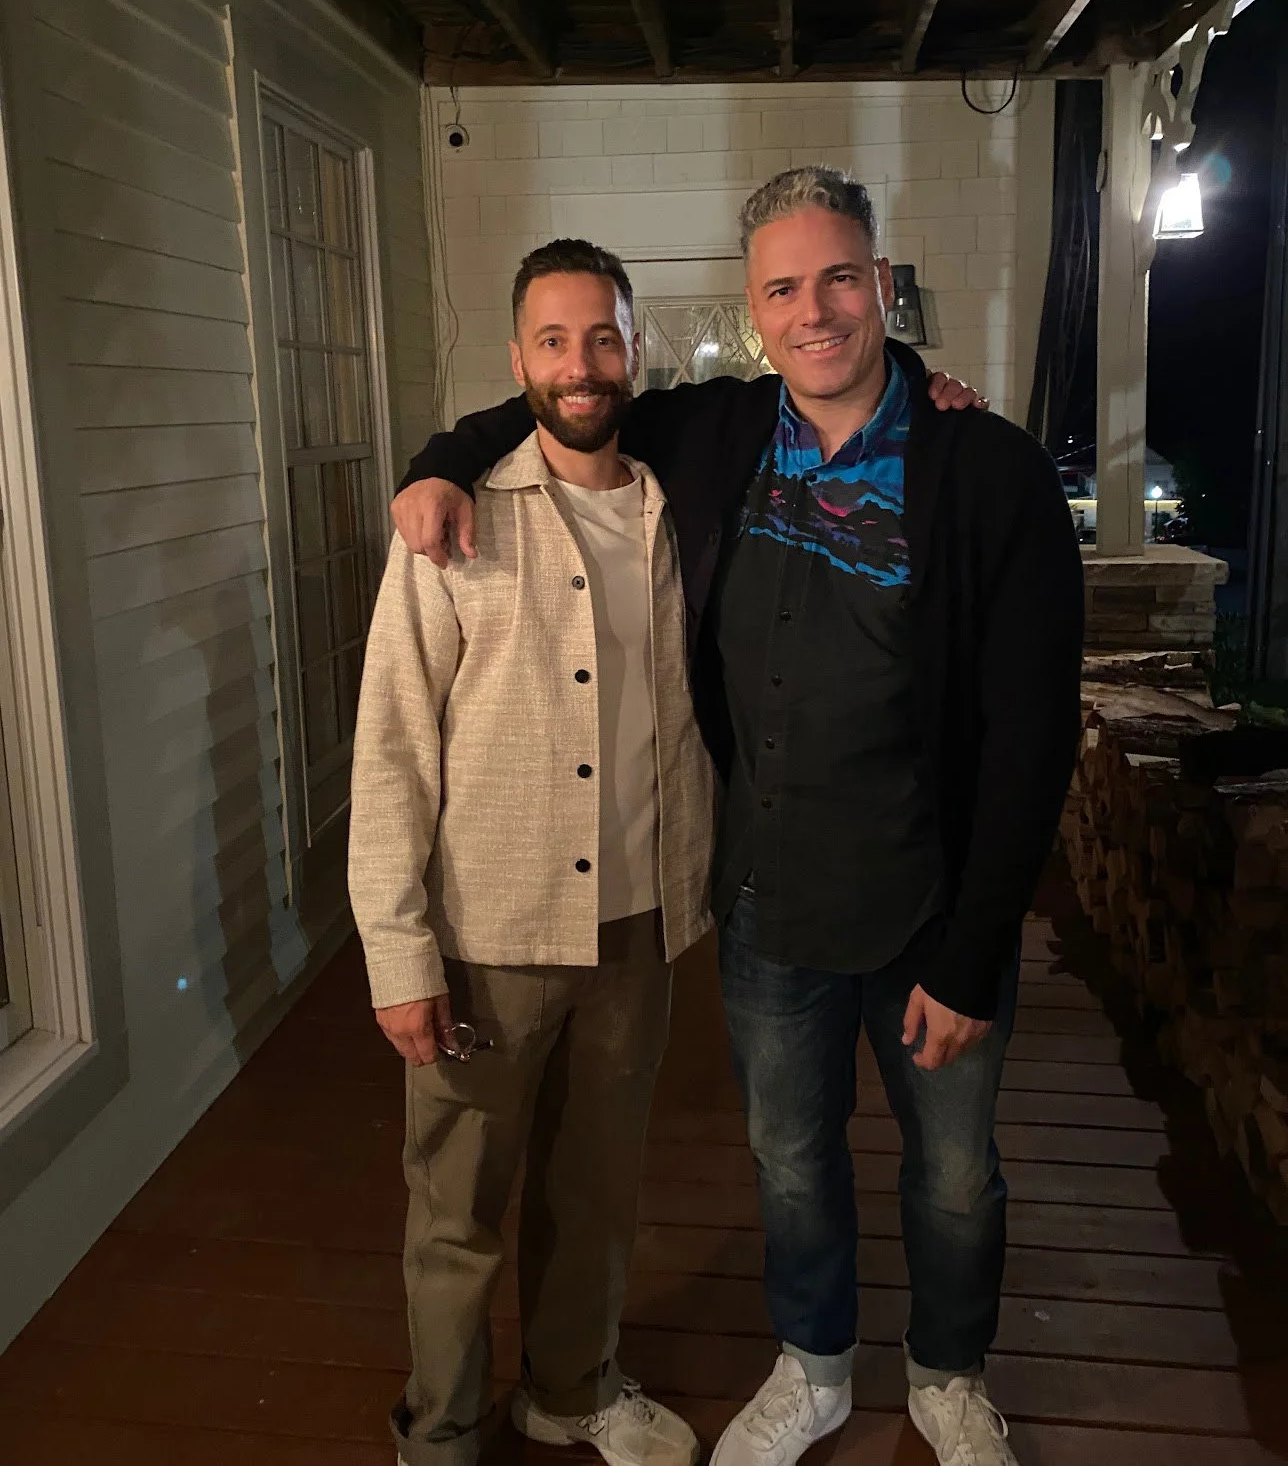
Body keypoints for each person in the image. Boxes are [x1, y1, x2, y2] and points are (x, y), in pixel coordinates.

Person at [392, 170, 1083, 1466]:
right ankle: (816, 1365)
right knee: (791, 1157)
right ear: (755, 311)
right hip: (766, 907)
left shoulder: (984, 468)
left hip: (933, 903)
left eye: (839, 277)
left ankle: (947, 1375)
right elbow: (564, 401)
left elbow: (1034, 733)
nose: (813, 309)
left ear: (883, 283)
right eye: (783, 287)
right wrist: (436, 461)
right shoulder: (719, 431)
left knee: (950, 1173)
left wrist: (981, 943)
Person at [348, 239, 718, 1466]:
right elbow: (392, 746)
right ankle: (443, 1432)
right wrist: (400, 953)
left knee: (597, 1188)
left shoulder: (675, 503)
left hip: (637, 926)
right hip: (488, 932)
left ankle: (570, 1387)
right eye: (553, 340)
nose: (580, 363)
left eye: (602, 337)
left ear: (635, 350)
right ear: (517, 362)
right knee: (456, 1206)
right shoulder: (453, 521)